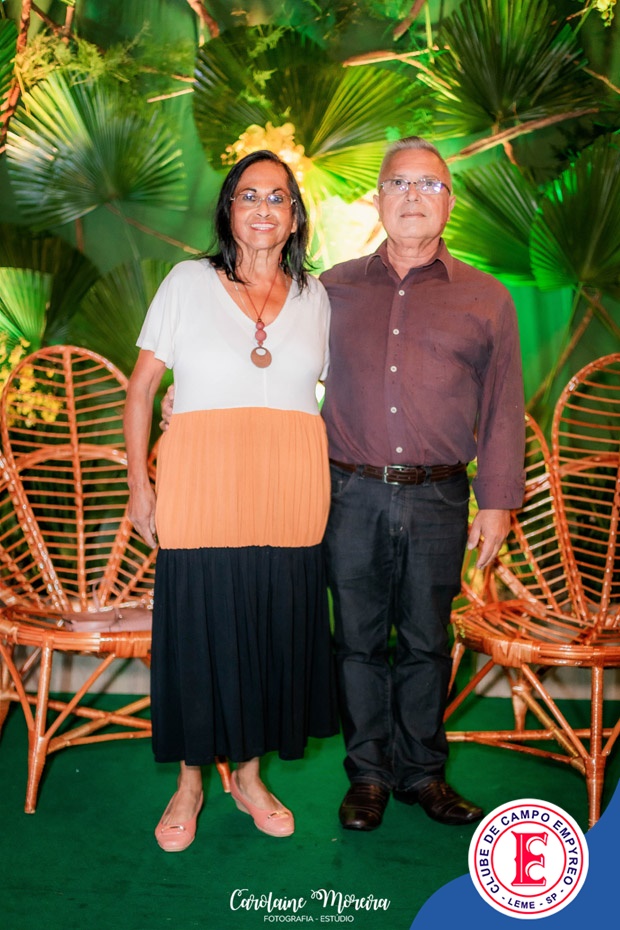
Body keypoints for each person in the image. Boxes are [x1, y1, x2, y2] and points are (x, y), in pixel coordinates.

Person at [124, 150, 337, 851]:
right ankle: (189, 784)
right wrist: (139, 484)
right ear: (228, 210)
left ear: (295, 216)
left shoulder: (316, 297)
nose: (264, 208)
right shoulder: (188, 282)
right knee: (199, 634)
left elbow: (329, 393)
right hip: (202, 486)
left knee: (272, 636)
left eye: (278, 197)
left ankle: (247, 778)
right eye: (249, 195)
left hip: (290, 492)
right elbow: (143, 387)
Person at [320, 136, 525, 831]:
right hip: (349, 493)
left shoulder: (487, 298)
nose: (413, 196)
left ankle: (423, 773)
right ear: (377, 199)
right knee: (356, 641)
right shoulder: (331, 289)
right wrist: (188, 394)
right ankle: (368, 777)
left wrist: (497, 503)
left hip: (441, 497)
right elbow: (271, 365)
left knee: (427, 641)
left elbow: (502, 406)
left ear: (449, 202)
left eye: (428, 184)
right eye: (399, 183)